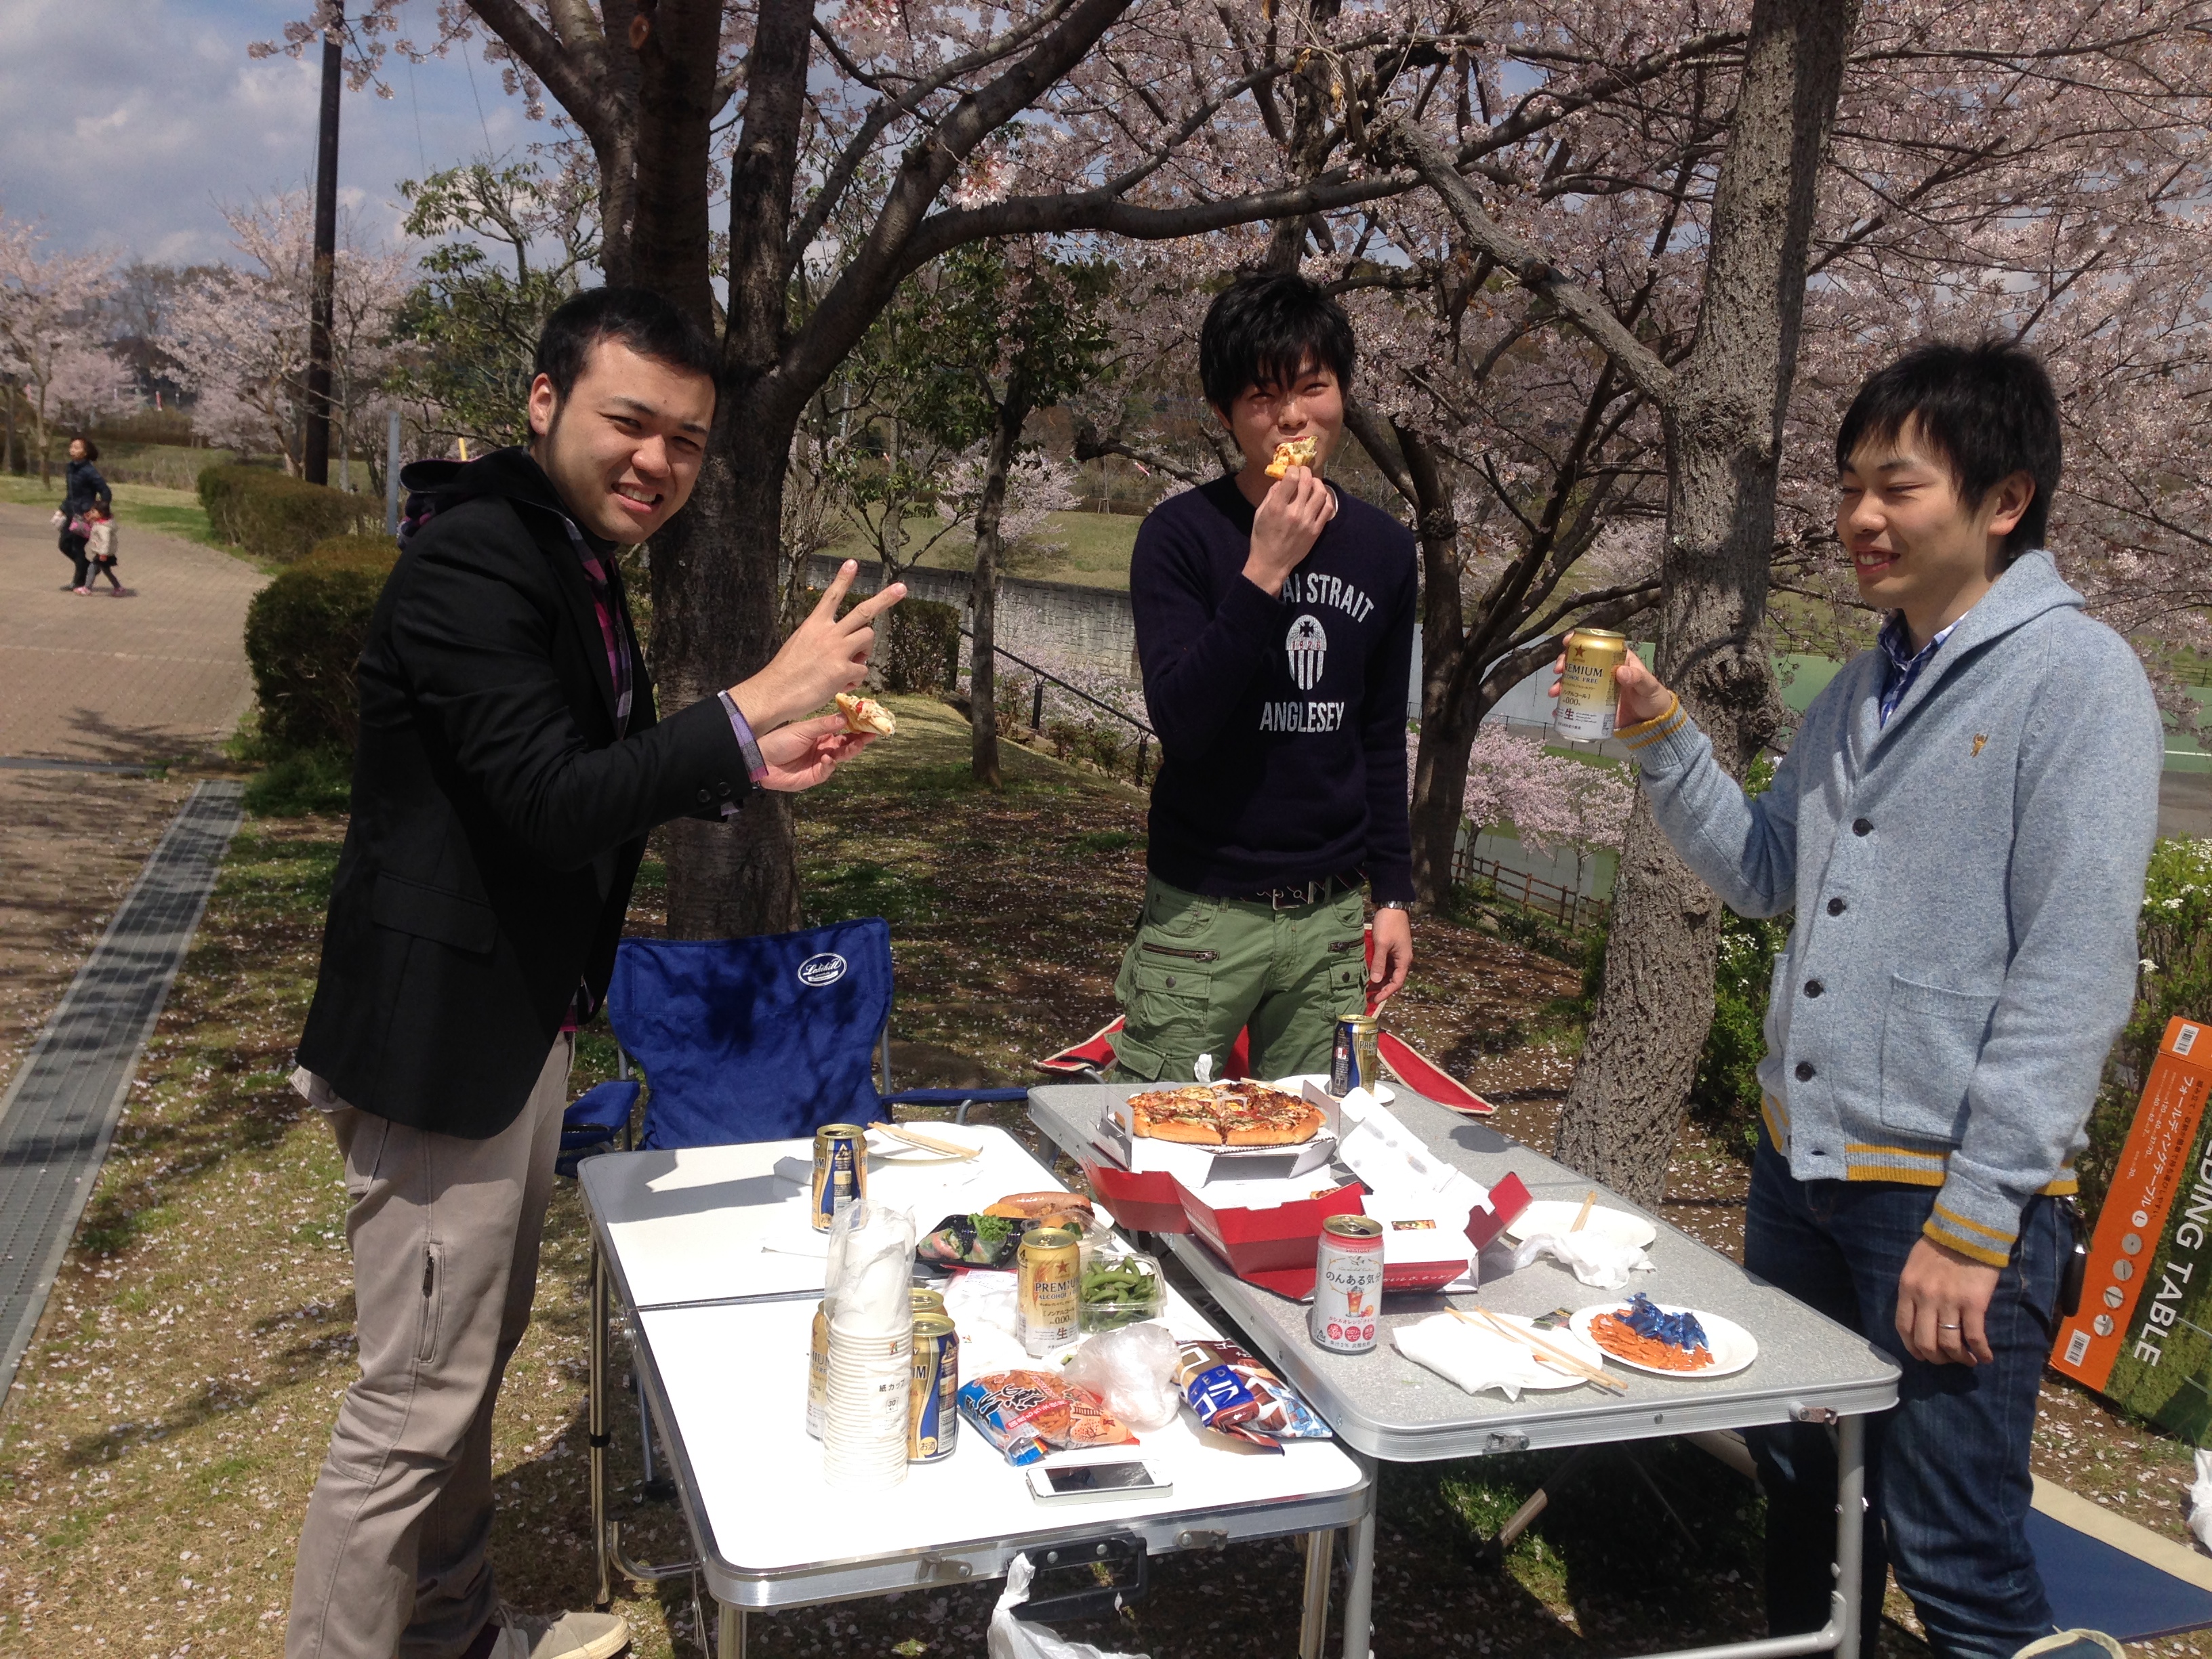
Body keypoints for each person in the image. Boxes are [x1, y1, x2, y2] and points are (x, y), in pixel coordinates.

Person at [284, 287, 905, 1659]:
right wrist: (757, 698)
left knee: (462, 1371)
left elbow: (576, 780)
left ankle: (453, 1633)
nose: (656, 461)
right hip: (438, 1047)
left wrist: (749, 759)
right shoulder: (476, 559)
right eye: (631, 422)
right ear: (544, 399)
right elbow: (548, 803)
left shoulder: (564, 555)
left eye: (685, 439)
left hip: (513, 1024)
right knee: (410, 1410)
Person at [1584, 340, 2160, 1659]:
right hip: (1798, 1170)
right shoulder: (1858, 685)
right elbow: (1766, 873)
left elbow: (2074, 969)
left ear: (2003, 500)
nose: (1858, 516)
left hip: (1941, 1201)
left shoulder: (2077, 681)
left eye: (1896, 487)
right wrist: (1666, 740)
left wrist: (1979, 1216)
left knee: (1955, 1553)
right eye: (1848, 485)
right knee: (1806, 1502)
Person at [1115, 271, 1416, 1083]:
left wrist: (1393, 894)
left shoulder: (1386, 550)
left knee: (1318, 1132)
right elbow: (1182, 722)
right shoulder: (1180, 537)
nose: (1291, 417)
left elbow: (1380, 734)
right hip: (1202, 913)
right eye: (1262, 396)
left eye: (1312, 387)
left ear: (1342, 392)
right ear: (1224, 413)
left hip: (1330, 919)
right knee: (1162, 1132)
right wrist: (1265, 570)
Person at [58, 435, 110, 593]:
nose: (72, 450)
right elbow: (71, 493)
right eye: (71, 447)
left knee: (77, 547)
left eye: (77, 447)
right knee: (64, 545)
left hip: (85, 516)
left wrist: (99, 512)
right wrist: (62, 508)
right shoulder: (70, 468)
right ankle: (88, 568)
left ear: (85, 453)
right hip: (71, 513)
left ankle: (78, 581)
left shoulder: (89, 471)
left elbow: (105, 492)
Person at [82, 505, 121, 594]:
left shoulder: (104, 528)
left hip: (103, 554)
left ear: (101, 513)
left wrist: (103, 554)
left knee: (92, 568)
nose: (91, 513)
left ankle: (87, 588)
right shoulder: (100, 523)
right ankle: (118, 587)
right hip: (102, 553)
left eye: (93, 512)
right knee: (107, 571)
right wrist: (89, 519)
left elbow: (106, 541)